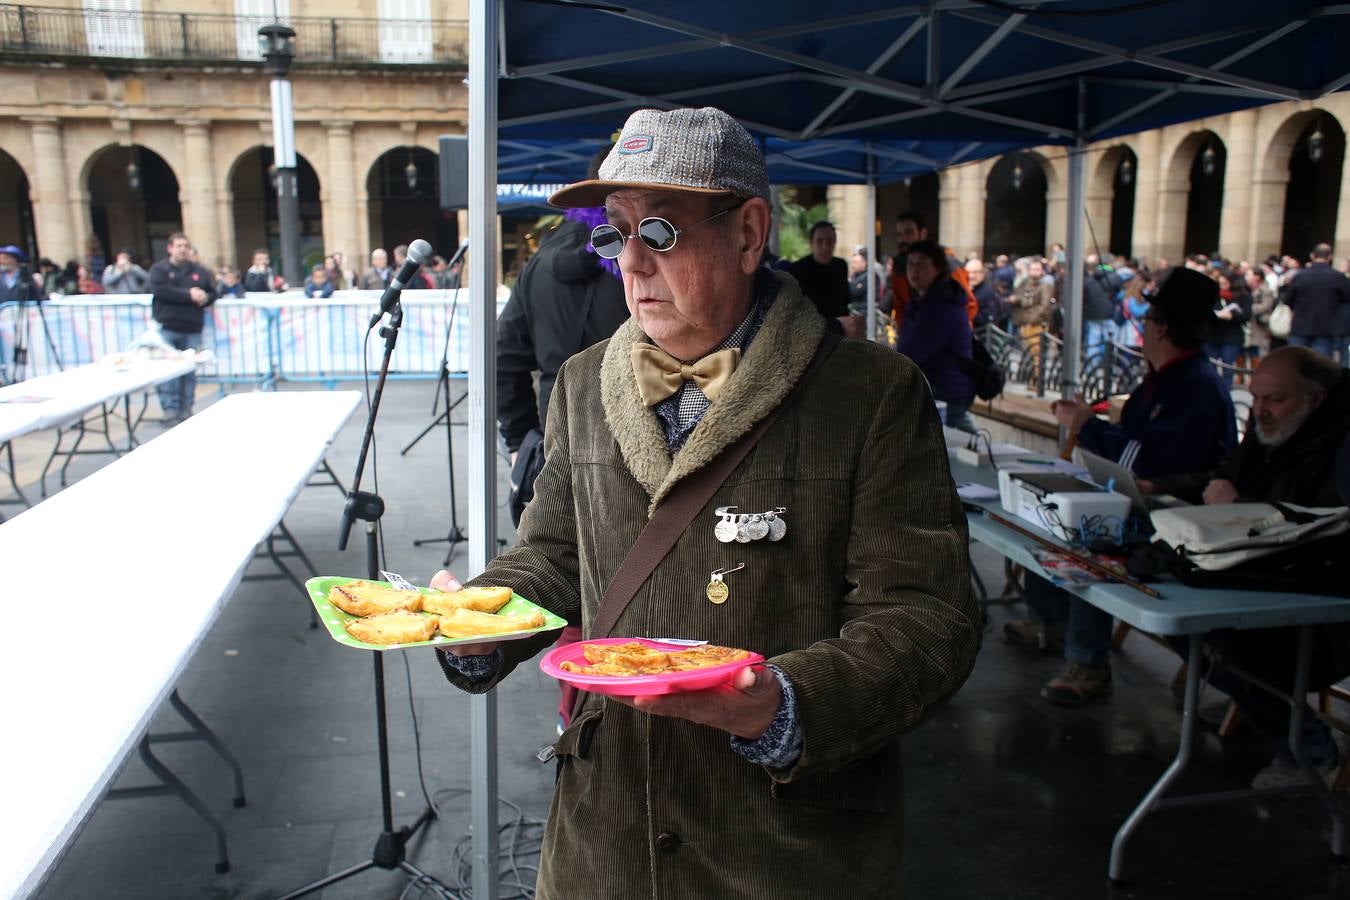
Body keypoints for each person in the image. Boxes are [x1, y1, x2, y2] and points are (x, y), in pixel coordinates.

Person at [430, 106, 980, 898]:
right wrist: (479, 621)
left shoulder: (871, 394)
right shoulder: (582, 384)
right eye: (615, 232)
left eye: (659, 232)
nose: (630, 263)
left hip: (781, 853)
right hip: (603, 844)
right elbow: (553, 554)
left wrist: (783, 706)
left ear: (750, 234)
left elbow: (932, 619)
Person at [1006, 268, 1237, 706]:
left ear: (1162, 327)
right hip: (1147, 499)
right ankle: (1049, 621)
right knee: (1049, 516)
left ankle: (1087, 661)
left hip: (1177, 515)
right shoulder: (1165, 377)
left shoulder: (1194, 385)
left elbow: (1142, 460)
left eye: (1147, 320)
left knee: (1094, 538)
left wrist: (1085, 425)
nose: (1142, 328)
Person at [1153, 348, 1350, 787]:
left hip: (1317, 598)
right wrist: (1163, 488)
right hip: (1259, 572)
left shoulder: (1336, 447)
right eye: (1256, 398)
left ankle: (1309, 750)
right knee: (1179, 615)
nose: (1260, 410)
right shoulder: (1274, 430)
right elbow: (1223, 477)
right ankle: (1262, 704)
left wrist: (1241, 508)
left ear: (1314, 399)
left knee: (1211, 633)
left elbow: (1323, 528)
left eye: (1274, 400)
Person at [897, 240, 977, 433]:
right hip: (939, 389)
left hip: (947, 391)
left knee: (951, 449)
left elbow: (912, 350)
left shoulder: (940, 305)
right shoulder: (921, 301)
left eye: (922, 263)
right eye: (911, 263)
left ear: (938, 269)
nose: (914, 270)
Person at [148, 233, 216, 423]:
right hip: (168, 326)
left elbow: (212, 292)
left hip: (192, 327)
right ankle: (170, 408)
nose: (183, 249)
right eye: (179, 245)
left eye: (185, 245)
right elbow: (159, 289)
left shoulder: (200, 271)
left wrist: (205, 297)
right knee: (167, 371)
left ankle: (186, 407)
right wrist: (188, 294)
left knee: (188, 371)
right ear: (170, 248)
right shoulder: (159, 269)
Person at [787, 221, 863, 336]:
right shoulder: (797, 269)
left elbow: (844, 302)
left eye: (829, 241)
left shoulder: (841, 266)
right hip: (809, 334)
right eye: (820, 241)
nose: (825, 247)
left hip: (839, 335)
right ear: (811, 243)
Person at [1282, 243, 1350, 358]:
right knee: (1319, 368)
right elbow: (1347, 298)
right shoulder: (1337, 277)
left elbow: (1288, 299)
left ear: (1312, 256)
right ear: (1330, 257)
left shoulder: (1300, 276)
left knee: (1297, 365)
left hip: (1300, 326)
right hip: (1325, 329)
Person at [1010, 258, 1055, 380]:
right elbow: (1021, 298)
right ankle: (1026, 376)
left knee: (1036, 354)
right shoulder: (1025, 283)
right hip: (1024, 321)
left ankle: (1035, 380)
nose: (1035, 272)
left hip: (1035, 323)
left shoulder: (1044, 286)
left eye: (1038, 269)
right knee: (1027, 352)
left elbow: (1044, 306)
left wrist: (1033, 318)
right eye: (1033, 269)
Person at [1207, 267, 1251, 385]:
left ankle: (1226, 393)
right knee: (1210, 368)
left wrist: (1231, 316)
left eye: (1225, 283)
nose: (1223, 285)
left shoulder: (1242, 296)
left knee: (1228, 369)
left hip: (1232, 337)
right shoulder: (1214, 294)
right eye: (1221, 283)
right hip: (1213, 336)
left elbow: (1246, 315)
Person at [965, 257, 1004, 330]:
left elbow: (989, 318)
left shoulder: (988, 292)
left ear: (982, 273)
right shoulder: (965, 289)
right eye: (968, 272)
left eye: (975, 272)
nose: (971, 276)